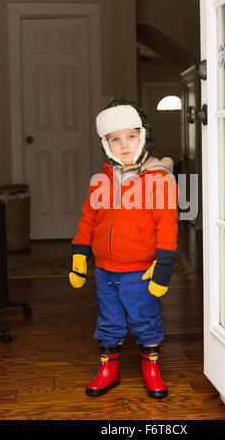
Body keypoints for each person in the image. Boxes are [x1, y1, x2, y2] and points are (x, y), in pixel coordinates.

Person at [69, 98, 179, 398]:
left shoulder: (159, 180)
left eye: (130, 136)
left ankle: (151, 370)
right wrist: (80, 254)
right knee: (109, 320)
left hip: (141, 271)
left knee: (145, 319)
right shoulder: (101, 181)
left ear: (143, 137)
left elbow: (167, 226)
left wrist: (163, 266)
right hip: (105, 270)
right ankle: (109, 371)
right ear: (106, 144)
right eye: (114, 139)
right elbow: (88, 219)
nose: (123, 145)